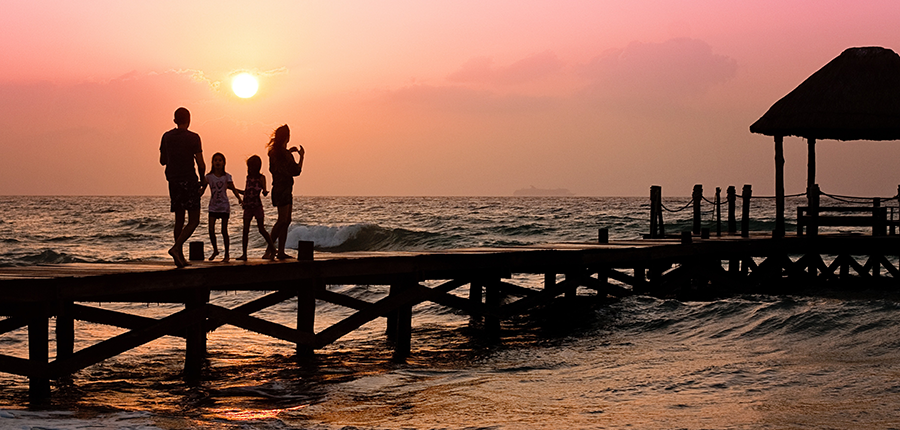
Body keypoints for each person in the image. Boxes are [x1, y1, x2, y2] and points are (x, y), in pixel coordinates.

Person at [159, 107, 206, 268]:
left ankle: (179, 257)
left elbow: (162, 161)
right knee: (194, 220)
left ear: (174, 120)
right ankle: (177, 248)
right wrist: (203, 179)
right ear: (189, 119)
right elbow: (200, 163)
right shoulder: (194, 138)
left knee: (179, 219)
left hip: (173, 181)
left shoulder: (166, 137)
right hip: (189, 180)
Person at [266, 125, 304, 260]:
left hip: (278, 189)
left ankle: (280, 251)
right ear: (286, 137)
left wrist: (289, 151)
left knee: (286, 220)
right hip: (284, 189)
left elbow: (280, 166)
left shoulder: (273, 153)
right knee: (283, 220)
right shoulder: (285, 155)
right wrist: (302, 157)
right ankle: (270, 250)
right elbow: (296, 171)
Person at [200, 152, 243, 262]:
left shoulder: (226, 176)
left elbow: (233, 189)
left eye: (220, 160)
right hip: (213, 206)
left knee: (224, 231)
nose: (218, 162)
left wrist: (239, 199)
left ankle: (227, 254)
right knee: (210, 229)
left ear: (224, 163)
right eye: (215, 160)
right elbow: (202, 189)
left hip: (224, 206)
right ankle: (215, 250)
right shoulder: (208, 177)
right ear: (212, 163)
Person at [236, 155, 276, 261]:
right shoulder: (248, 177)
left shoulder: (261, 178)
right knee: (245, 230)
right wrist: (234, 190)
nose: (249, 169)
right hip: (248, 207)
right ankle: (244, 254)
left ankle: (272, 248)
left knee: (261, 229)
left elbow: (264, 191)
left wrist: (265, 191)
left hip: (257, 206)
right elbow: (246, 192)